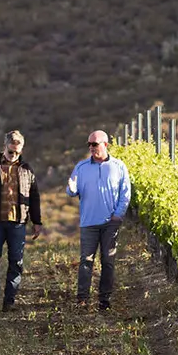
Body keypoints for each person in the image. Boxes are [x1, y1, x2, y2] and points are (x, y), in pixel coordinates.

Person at [0, 130, 42, 312]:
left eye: (18, 152)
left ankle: (9, 301)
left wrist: (37, 221)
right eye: (11, 151)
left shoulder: (27, 170)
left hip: (17, 223)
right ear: (4, 147)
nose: (14, 155)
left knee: (16, 262)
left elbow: (34, 196)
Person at [67, 130, 130, 311]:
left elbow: (125, 194)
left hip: (111, 222)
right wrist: (71, 188)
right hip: (89, 222)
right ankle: (82, 299)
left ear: (105, 145)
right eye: (89, 144)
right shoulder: (81, 167)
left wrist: (118, 215)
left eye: (94, 144)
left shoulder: (119, 166)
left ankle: (104, 300)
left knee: (108, 261)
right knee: (86, 260)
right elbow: (71, 190)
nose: (91, 148)